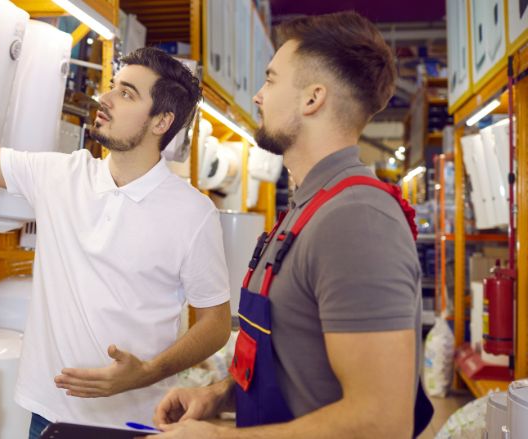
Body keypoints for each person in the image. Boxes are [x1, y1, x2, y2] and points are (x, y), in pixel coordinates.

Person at [0, 1, 232, 437]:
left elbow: (214, 324)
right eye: (113, 86)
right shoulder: (62, 175)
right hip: (49, 418)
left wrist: (147, 372)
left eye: (126, 94)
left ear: (162, 121)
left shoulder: (191, 213)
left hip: (139, 423)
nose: (106, 99)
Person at [152, 11, 433, 439]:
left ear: (312, 98)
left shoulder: (356, 219)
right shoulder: (308, 208)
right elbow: (295, 364)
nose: (260, 96)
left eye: (271, 80)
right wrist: (218, 395)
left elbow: (382, 421)